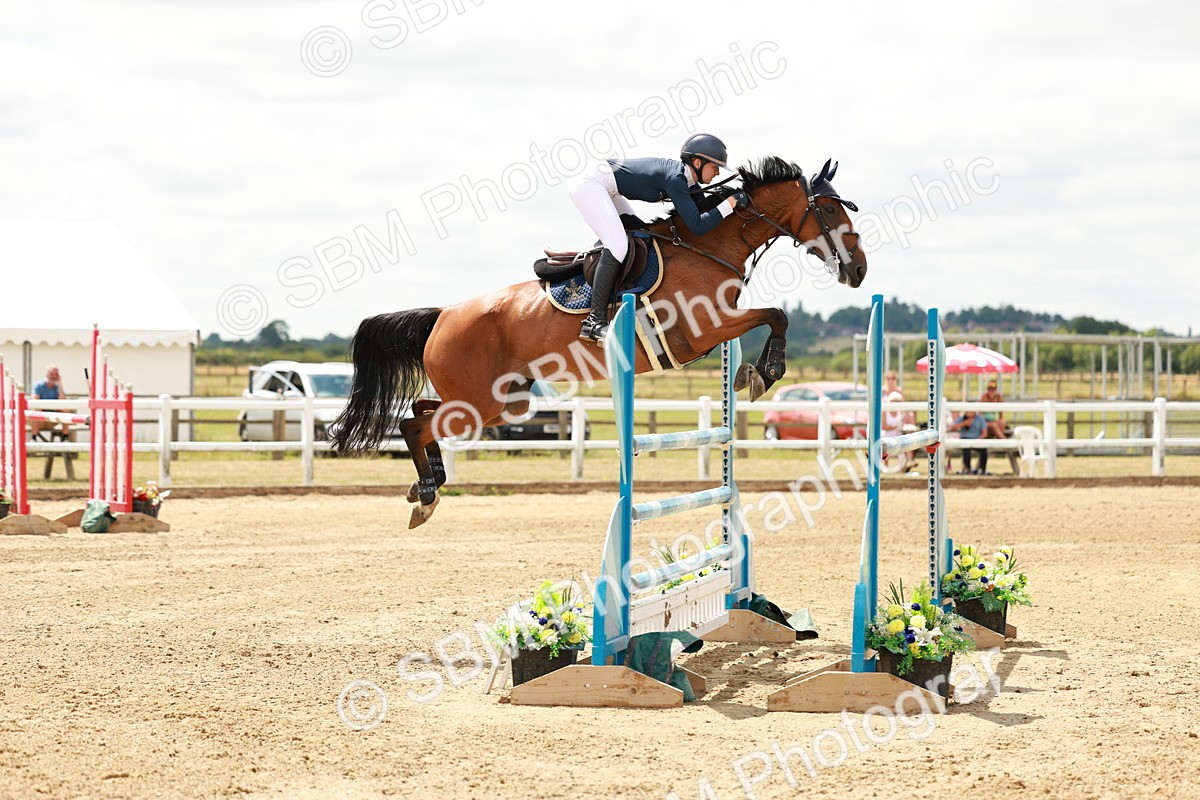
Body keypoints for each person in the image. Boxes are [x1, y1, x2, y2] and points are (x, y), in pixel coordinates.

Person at [568, 133, 749, 343]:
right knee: (618, 245)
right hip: (590, 184)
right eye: (715, 167)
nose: (717, 173)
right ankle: (594, 321)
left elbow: (704, 209)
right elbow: (698, 226)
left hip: (609, 189)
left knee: (640, 233)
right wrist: (731, 204)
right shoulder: (676, 179)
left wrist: (733, 198)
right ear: (698, 162)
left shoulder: (688, 181)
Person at [30, 365, 68, 437]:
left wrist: (60, 384)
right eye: (51, 374)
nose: (53, 376)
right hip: (40, 419)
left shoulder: (58, 388)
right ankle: (34, 437)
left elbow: (63, 402)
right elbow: (35, 400)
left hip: (53, 419)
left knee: (65, 410)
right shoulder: (38, 386)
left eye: (55, 374)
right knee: (36, 411)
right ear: (46, 375)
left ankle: (65, 436)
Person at [948, 410, 988, 474]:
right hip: (965, 438)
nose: (970, 413)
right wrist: (964, 424)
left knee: (983, 449)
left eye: (971, 411)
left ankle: (982, 469)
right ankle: (968, 468)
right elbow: (952, 427)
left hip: (976, 439)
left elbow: (985, 433)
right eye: (968, 411)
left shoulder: (980, 419)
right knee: (966, 450)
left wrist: (978, 439)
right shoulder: (962, 419)